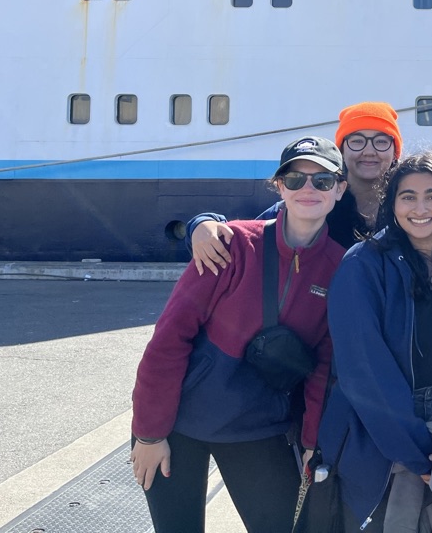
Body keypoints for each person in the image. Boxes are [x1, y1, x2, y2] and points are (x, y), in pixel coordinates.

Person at [130, 136, 348, 533]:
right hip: (179, 423)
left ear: (340, 189)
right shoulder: (232, 244)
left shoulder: (340, 269)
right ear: (279, 186)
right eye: (296, 179)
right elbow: (167, 341)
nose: (308, 189)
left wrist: (314, 442)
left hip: (257, 426)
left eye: (323, 180)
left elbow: (325, 368)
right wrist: (148, 434)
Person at [315, 150, 432, 532]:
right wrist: (421, 452)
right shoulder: (364, 265)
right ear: (393, 204)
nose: (420, 208)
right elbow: (364, 370)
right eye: (408, 196)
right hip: (383, 429)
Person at [185, 101, 402, 273]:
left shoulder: (407, 207)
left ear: (395, 152)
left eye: (381, 141)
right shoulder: (316, 202)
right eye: (357, 141)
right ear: (342, 151)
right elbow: (247, 230)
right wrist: (201, 224)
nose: (369, 150)